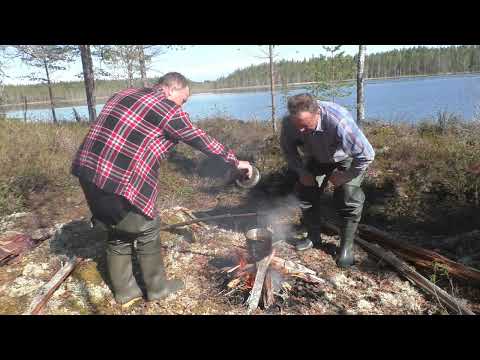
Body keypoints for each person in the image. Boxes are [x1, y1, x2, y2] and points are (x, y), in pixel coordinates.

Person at [71, 72, 253, 306]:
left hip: (88, 173)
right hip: (117, 181)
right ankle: (158, 289)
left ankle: (125, 292)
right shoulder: (167, 108)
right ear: (170, 90)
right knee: (147, 228)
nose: (183, 105)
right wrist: (236, 162)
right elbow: (198, 137)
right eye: (184, 99)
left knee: (117, 233)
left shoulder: (123, 93)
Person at [280, 93, 375, 268]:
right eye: (296, 125)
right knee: (305, 192)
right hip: (316, 157)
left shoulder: (338, 121)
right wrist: (302, 172)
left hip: (344, 159)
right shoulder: (290, 122)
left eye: (304, 125)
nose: (299, 130)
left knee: (348, 196)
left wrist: (346, 175)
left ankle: (346, 248)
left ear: (318, 113)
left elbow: (366, 155)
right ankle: (314, 236)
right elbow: (289, 151)